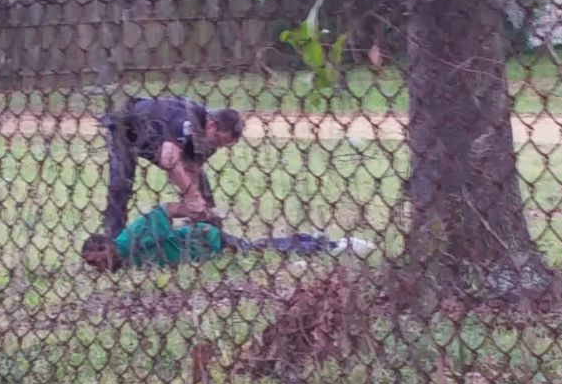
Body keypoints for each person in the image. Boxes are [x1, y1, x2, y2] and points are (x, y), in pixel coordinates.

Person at [82, 202, 376, 272]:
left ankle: (328, 245)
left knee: (259, 251)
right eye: (94, 266)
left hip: (203, 240)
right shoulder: (123, 263)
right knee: (258, 249)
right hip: (200, 252)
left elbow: (163, 211)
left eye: (99, 261)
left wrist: (197, 209)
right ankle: (312, 241)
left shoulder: (129, 239)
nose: (99, 268)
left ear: (107, 245)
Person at [99, 96, 244, 237]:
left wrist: (198, 202)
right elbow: (169, 160)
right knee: (121, 185)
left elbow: (191, 169)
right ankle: (113, 238)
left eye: (221, 145)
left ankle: (208, 232)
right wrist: (192, 196)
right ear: (211, 124)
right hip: (126, 131)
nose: (215, 146)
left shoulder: (210, 138)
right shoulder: (186, 120)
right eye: (217, 140)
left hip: (157, 141)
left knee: (201, 186)